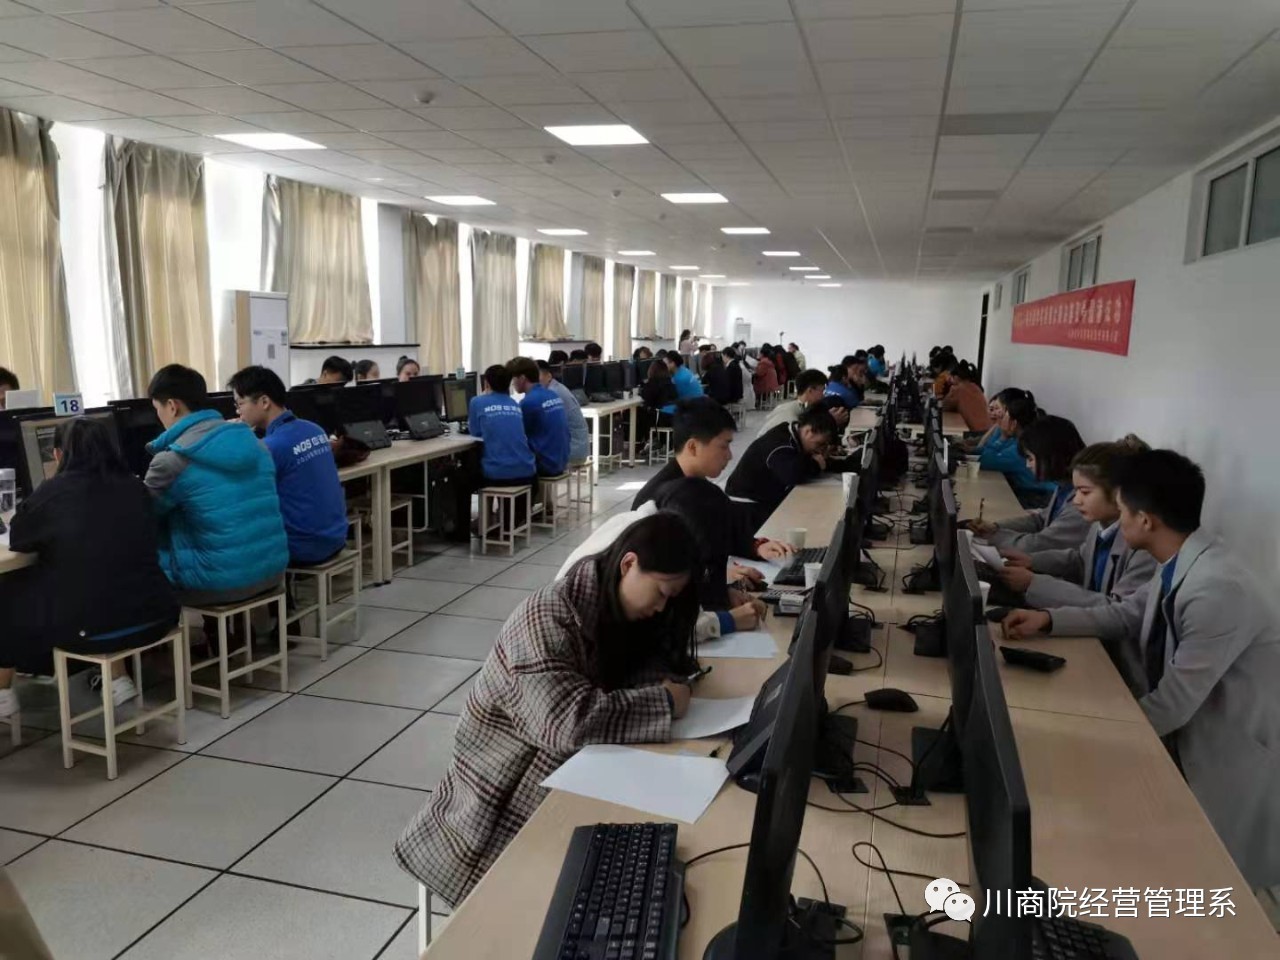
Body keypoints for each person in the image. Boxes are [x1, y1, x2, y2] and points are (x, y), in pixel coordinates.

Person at [394, 512, 704, 907]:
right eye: (660, 592)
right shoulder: (548, 615)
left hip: (563, 775)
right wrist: (664, 702)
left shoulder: (616, 611)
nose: (661, 607)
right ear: (629, 564)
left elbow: (641, 668)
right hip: (490, 811)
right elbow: (565, 723)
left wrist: (665, 677)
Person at [1003, 450, 1280, 889]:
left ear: (1146, 520)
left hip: (1220, 752)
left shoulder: (1217, 589)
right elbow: (1126, 614)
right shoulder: (1183, 560)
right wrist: (1049, 620)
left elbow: (1172, 705)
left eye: (1124, 511)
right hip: (1185, 735)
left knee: (1206, 883)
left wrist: (1085, 736)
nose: (1119, 522)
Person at [0, 418, 180, 720]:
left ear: (59, 454)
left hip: (92, 629)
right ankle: (118, 679)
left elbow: (19, 537)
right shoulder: (135, 487)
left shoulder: (53, 493)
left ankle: (3, 692)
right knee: (103, 576)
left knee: (9, 592)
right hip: (157, 613)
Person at [145, 365, 288, 605]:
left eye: (156, 408)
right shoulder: (255, 443)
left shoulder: (172, 460)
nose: (158, 416)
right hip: (271, 570)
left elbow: (143, 514)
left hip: (217, 585)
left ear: (172, 406)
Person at [633, 398, 793, 610]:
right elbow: (661, 575)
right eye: (723, 446)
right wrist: (718, 577)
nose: (729, 455)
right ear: (693, 447)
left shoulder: (700, 489)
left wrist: (757, 547)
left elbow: (725, 530)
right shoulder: (662, 499)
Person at [997, 436, 1156, 609]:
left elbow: (1118, 610)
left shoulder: (1144, 548)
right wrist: (1032, 561)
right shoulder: (1100, 525)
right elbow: (1080, 560)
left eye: (1085, 492)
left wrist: (1034, 584)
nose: (1076, 500)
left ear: (1120, 493)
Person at [228, 365, 348, 566]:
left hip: (304, 546)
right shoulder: (315, 430)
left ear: (264, 402)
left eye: (240, 403)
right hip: (337, 535)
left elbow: (241, 490)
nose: (238, 411)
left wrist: (232, 437)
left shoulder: (271, 446)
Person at [968, 414, 1088, 553]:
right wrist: (996, 527)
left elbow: (1038, 544)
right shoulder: (1064, 487)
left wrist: (992, 536)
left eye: (1030, 458)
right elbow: (1040, 520)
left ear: (1050, 457)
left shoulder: (1080, 502)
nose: (1027, 465)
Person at [725, 404, 839, 521]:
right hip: (746, 504)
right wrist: (816, 465)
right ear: (808, 431)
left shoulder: (791, 434)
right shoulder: (781, 444)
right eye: (820, 444)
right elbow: (792, 475)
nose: (821, 450)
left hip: (761, 498)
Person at [979, 388, 1055, 506]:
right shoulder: (1018, 439)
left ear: (1014, 423)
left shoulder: (1021, 447)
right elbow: (987, 453)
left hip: (1039, 497)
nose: (999, 417)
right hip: (1031, 492)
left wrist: (1002, 437)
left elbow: (985, 461)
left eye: (1003, 417)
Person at [469, 364, 536, 490]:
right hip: (527, 471)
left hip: (497, 473)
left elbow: (475, 432)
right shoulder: (515, 404)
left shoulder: (477, 402)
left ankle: (482, 504)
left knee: (462, 473)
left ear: (486, 383)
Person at [507, 357, 569, 477]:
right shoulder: (552, 394)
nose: (512, 383)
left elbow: (516, 435)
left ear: (522, 378)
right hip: (561, 460)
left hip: (545, 464)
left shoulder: (528, 402)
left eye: (513, 379)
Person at [757, 368, 847, 436]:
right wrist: (831, 423)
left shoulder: (791, 407)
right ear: (810, 391)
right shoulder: (791, 419)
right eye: (822, 391)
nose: (824, 396)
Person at [535, 360, 589, 464]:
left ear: (549, 376)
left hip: (572, 450)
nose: (534, 381)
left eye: (537, 376)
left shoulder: (552, 393)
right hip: (577, 448)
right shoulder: (556, 387)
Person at [940, 361, 988, 432]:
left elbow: (943, 407)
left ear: (956, 377)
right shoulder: (977, 388)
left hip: (975, 433)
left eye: (951, 377)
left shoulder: (957, 390)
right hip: (987, 431)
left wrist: (950, 392)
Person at [638, 360, 677, 441]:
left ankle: (640, 441)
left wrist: (644, 387)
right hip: (672, 418)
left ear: (652, 371)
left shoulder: (653, 383)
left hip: (660, 419)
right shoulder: (670, 382)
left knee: (638, 413)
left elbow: (647, 399)